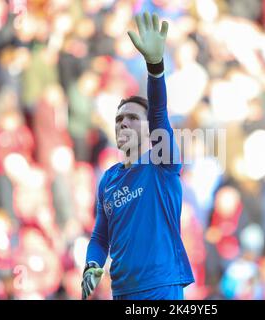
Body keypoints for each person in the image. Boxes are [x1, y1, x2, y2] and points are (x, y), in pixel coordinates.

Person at [81, 12, 194, 300]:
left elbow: (158, 112)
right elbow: (100, 236)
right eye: (118, 120)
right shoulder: (109, 179)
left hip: (161, 288)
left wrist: (155, 67)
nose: (123, 124)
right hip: (122, 292)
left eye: (131, 118)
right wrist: (92, 264)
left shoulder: (162, 164)